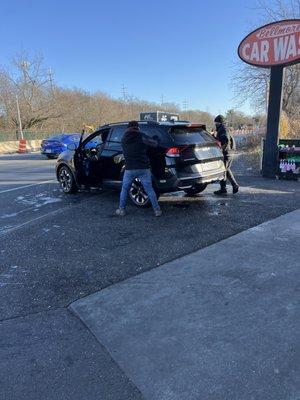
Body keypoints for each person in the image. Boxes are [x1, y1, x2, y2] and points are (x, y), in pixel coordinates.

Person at [116, 121, 162, 217]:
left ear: (128, 128)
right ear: (137, 127)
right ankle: (157, 210)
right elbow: (154, 144)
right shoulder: (141, 136)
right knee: (149, 189)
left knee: (124, 189)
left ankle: (121, 210)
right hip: (143, 168)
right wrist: (155, 138)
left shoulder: (123, 138)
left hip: (129, 169)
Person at [213, 115, 239, 195]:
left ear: (219, 122)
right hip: (229, 152)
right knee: (226, 169)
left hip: (227, 152)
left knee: (223, 170)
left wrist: (221, 150)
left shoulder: (223, 129)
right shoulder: (223, 128)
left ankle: (224, 188)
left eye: (216, 122)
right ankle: (233, 186)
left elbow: (225, 140)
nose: (215, 124)